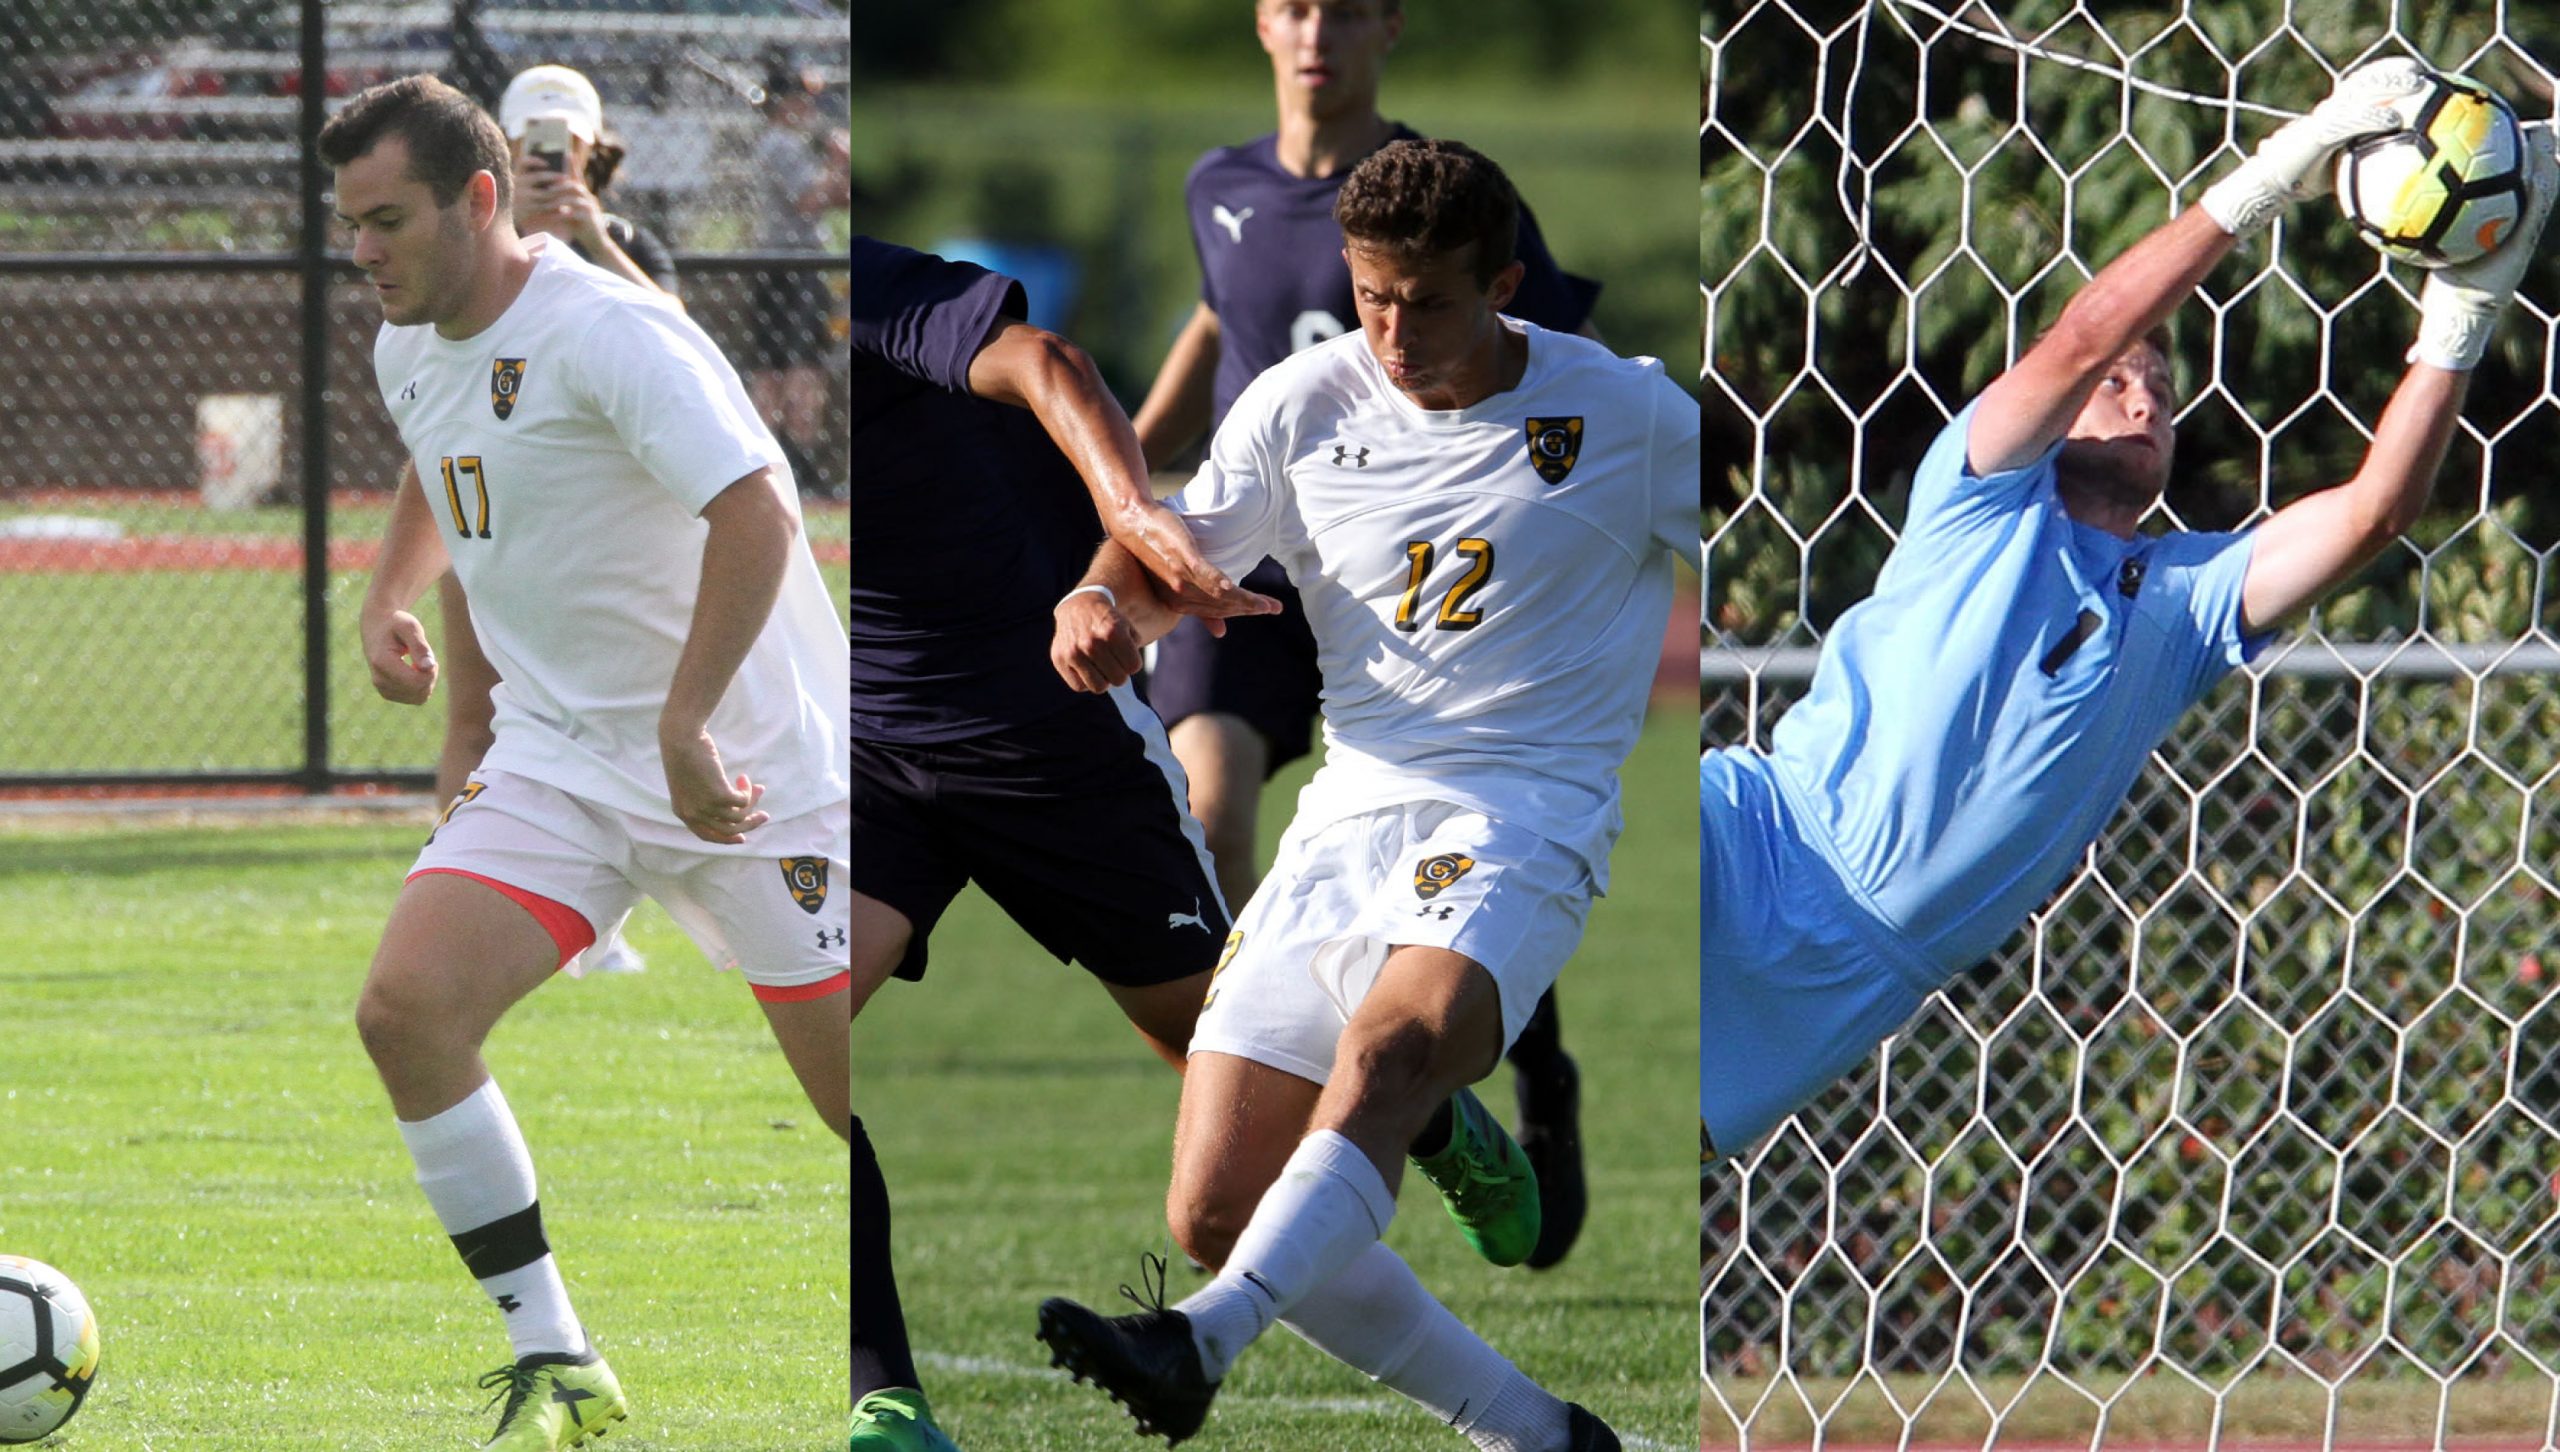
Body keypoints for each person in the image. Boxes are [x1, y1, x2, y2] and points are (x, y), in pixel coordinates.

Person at [1697, 61, 2557, 1165]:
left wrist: (2464, 311)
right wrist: (2285, 167)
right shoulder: (1978, 495)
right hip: (1760, 835)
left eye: (2159, 385)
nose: (2143, 393)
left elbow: (2375, 512)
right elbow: (2081, 333)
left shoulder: (2184, 608)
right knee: (1552, 883)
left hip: (1864, 971)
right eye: (2117, 381)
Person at [1038, 139, 1698, 1451]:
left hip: (1524, 813)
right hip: (1349, 816)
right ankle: (1540, 1434)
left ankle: (1200, 1342)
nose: (1391, 333)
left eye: (1429, 303)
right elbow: (1172, 550)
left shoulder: (1628, 416)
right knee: (1214, 1211)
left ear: (1505, 283)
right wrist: (1103, 597)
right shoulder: (1300, 402)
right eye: (1371, 295)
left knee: (1392, 1052)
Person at [323, 75, 852, 1450]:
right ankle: (555, 1356)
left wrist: (685, 724)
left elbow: (757, 509)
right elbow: (444, 455)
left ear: (480, 199)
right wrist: (388, 592)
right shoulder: (410, 341)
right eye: (349, 227)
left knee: (867, 1104)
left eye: (387, 221)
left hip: (750, 772)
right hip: (563, 761)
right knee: (406, 1009)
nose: (363, 251)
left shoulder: (610, 332)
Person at [1131, 0, 1602, 1270]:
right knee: (1206, 810)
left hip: (1398, 590)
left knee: (1445, 839)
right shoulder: (1217, 184)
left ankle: (1461, 1058)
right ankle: (1382, 1103)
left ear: (1393, 27)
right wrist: (1128, 466)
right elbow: (1220, 321)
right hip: (1250, 569)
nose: (1315, 30)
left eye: (1344, 7)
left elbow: (1554, 371)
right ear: (1259, 23)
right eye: (1292, 4)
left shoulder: (1441, 199)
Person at [849, 235, 1273, 1452]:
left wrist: (1129, 520)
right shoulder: (646, 331)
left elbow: (1044, 358)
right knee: (791, 1040)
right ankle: (886, 1401)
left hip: (1045, 734)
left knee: (1238, 1060)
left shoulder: (848, 285)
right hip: (871, 762)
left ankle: (1420, 1103)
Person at [431, 62, 684, 979]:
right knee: (477, 712)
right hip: (492, 511)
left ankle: (602, 922)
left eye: (565, 138)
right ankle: (458, 889)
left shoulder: (624, 240)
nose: (553, 153)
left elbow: (683, 351)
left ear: (593, 144)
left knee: (626, 717)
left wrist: (585, 236)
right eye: (533, 137)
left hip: (604, 532)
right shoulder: (475, 248)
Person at [748, 58, 851, 497]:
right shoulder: (782, 145)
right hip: (793, 267)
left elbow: (838, 199)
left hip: (786, 266)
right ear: (785, 102)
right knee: (798, 367)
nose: (811, 107)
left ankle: (781, 462)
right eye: (803, 98)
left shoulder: (784, 144)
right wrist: (840, 161)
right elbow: (812, 201)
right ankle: (799, 464)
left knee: (781, 366)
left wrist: (837, 173)